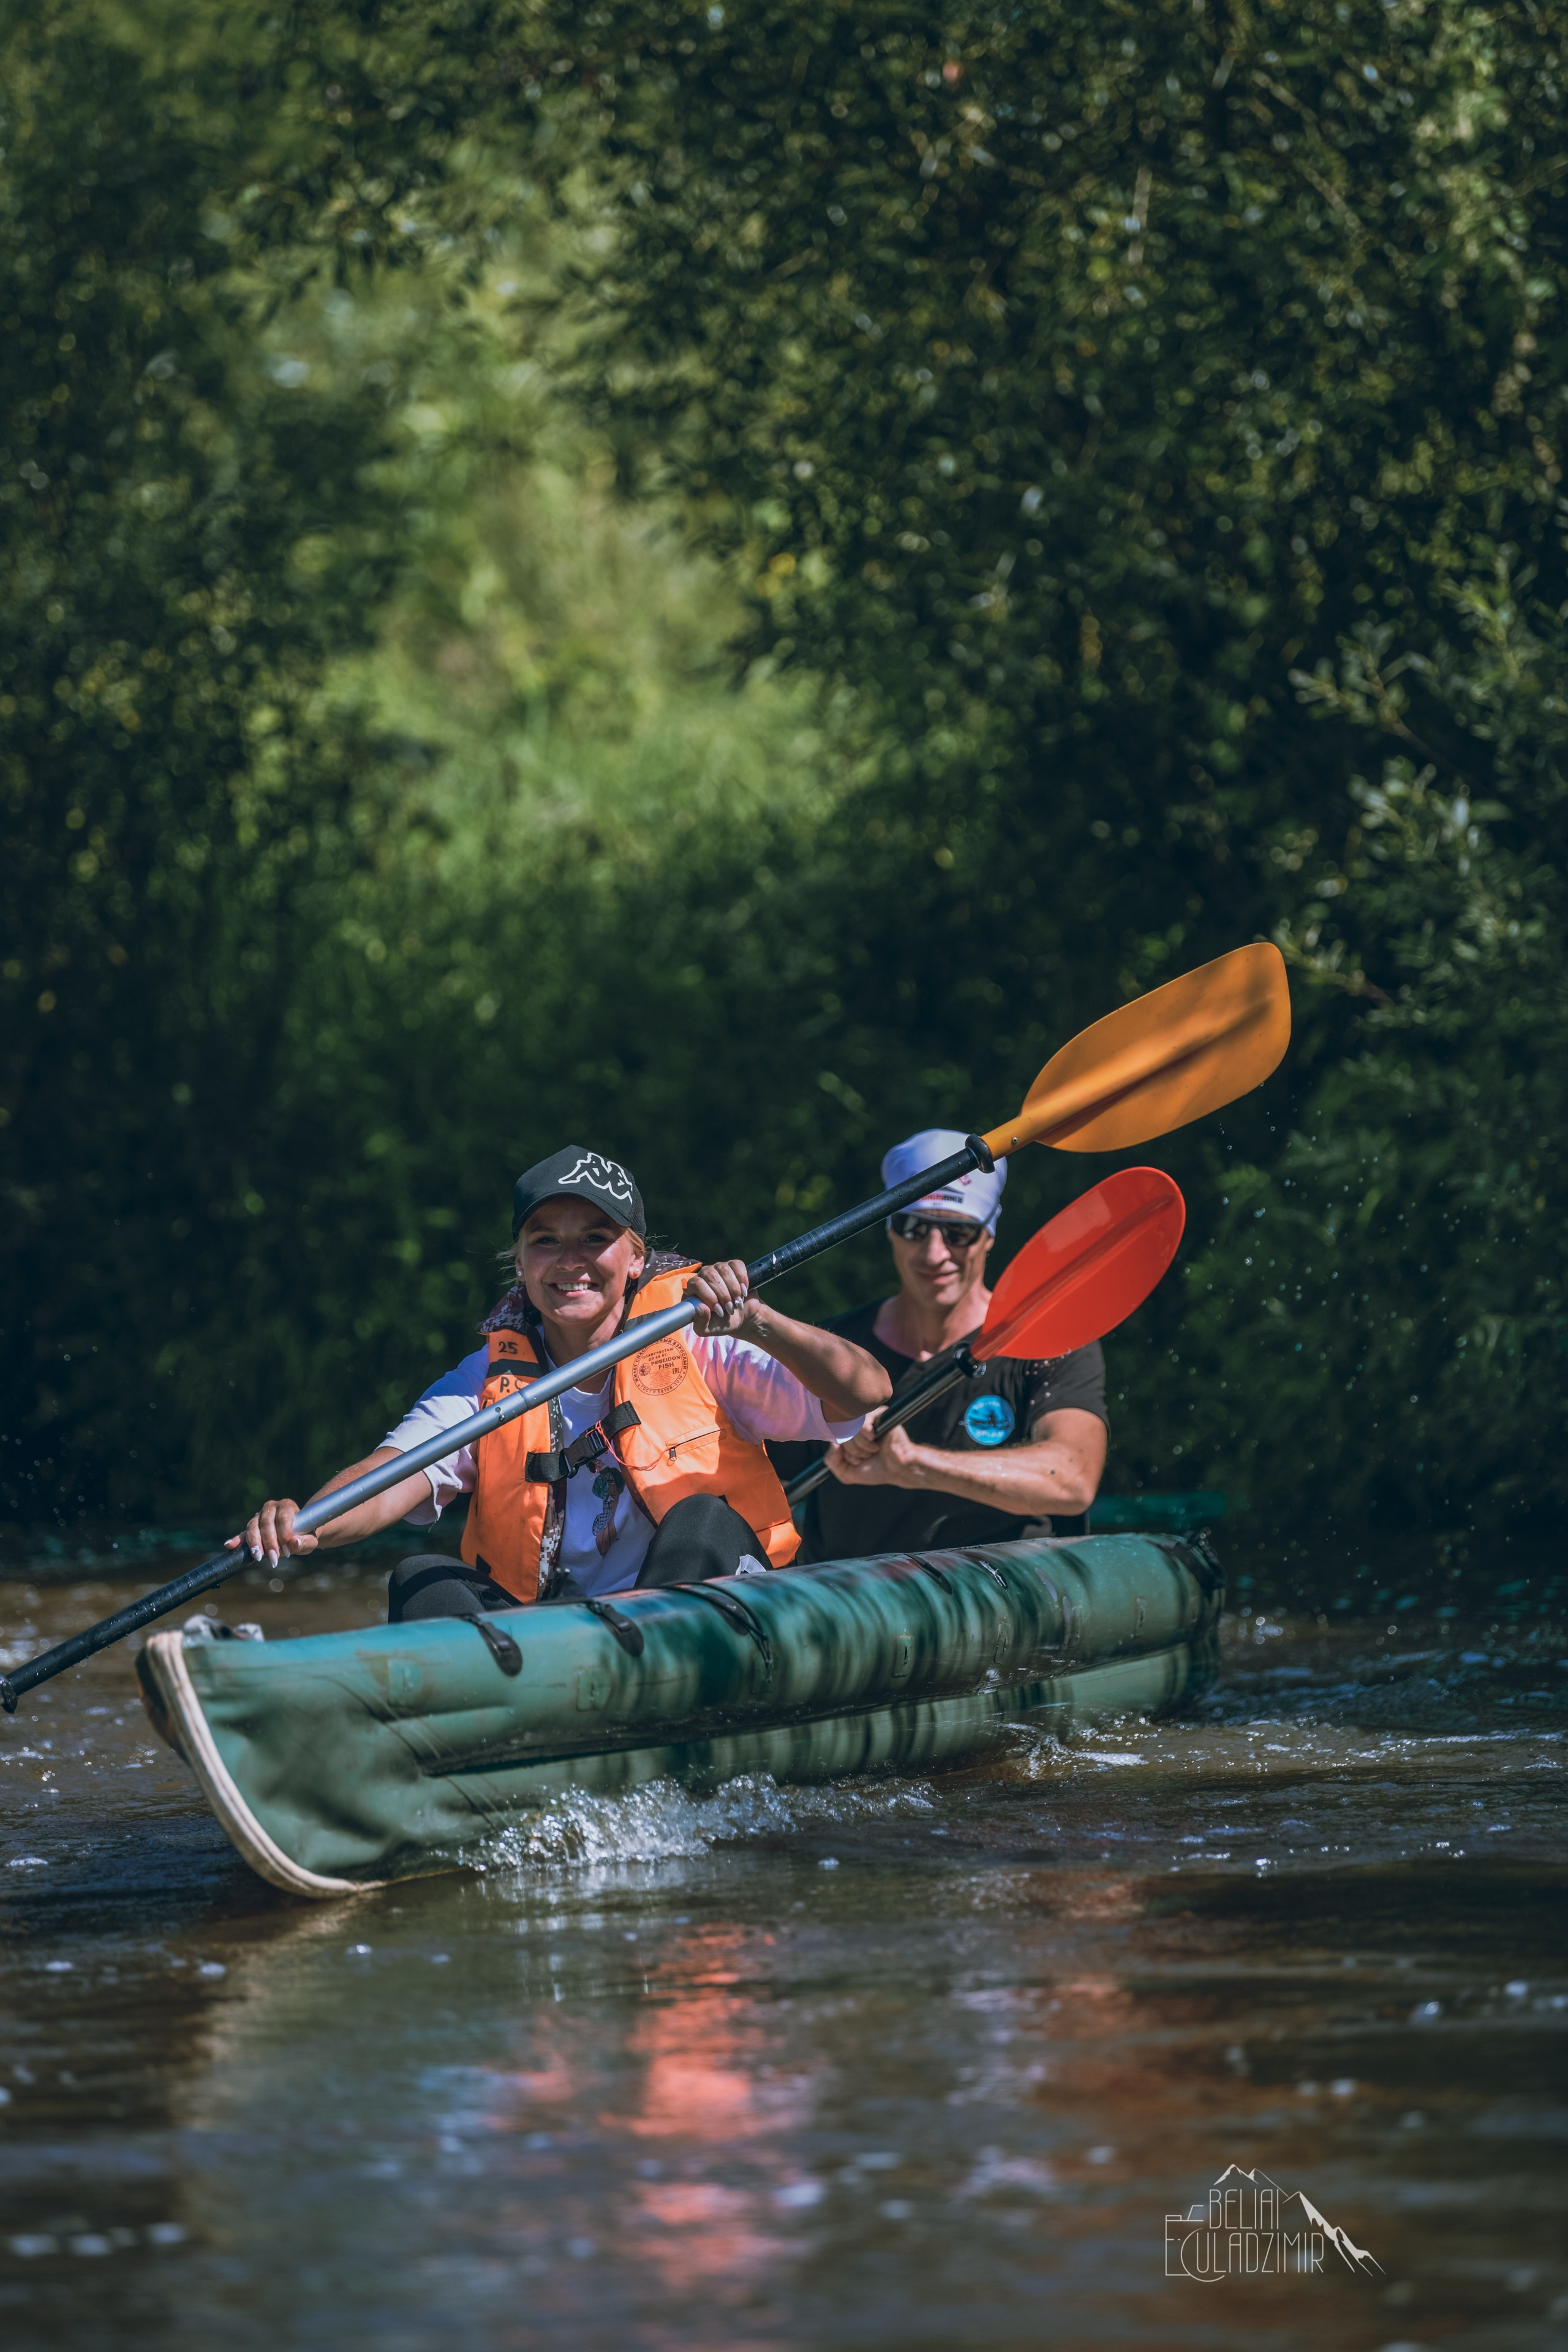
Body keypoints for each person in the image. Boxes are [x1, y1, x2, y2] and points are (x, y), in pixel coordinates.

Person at [231, 1146, 890, 1619]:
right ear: (519, 1262)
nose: (570, 1262)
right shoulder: (484, 1379)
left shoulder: (703, 1342)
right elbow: (391, 1476)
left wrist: (759, 1323)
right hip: (566, 1629)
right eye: (545, 1241)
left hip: (710, 1609)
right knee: (422, 1577)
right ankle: (476, 1745)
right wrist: (306, 1520)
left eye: (594, 1239)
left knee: (701, 1523)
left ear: (635, 1259)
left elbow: (866, 1390)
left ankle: (666, 1704)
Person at [774, 1129, 1108, 1563]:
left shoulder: (1048, 1344)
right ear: (890, 1231)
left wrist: (915, 1466)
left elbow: (1072, 1479)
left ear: (989, 1235)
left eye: (958, 1233)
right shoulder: (834, 1352)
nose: (934, 1255)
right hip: (856, 1615)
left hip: (1004, 1606)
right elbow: (754, 1483)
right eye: (914, 1228)